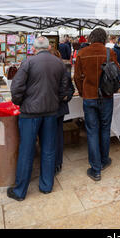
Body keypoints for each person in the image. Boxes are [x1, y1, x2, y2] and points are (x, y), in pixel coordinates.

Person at [7, 36, 70, 201]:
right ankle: (46, 185)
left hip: (30, 113)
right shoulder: (59, 64)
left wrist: (20, 103)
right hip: (50, 111)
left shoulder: (28, 63)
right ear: (49, 47)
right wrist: (54, 100)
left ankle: (20, 191)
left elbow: (16, 88)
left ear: (34, 49)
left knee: (26, 150)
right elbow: (64, 89)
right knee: (48, 150)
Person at [74, 28, 119, 182]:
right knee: (105, 129)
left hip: (89, 96)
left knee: (92, 131)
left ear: (91, 38)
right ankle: (104, 160)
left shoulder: (82, 53)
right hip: (106, 96)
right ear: (104, 38)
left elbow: (77, 77)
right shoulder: (110, 52)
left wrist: (82, 92)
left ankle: (95, 168)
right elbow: (116, 72)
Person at [49, 47, 75, 175]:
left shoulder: (62, 71)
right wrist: (65, 97)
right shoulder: (62, 69)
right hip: (55, 108)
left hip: (54, 109)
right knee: (56, 136)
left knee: (54, 136)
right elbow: (70, 89)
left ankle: (55, 163)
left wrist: (66, 97)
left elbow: (70, 89)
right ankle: (56, 162)